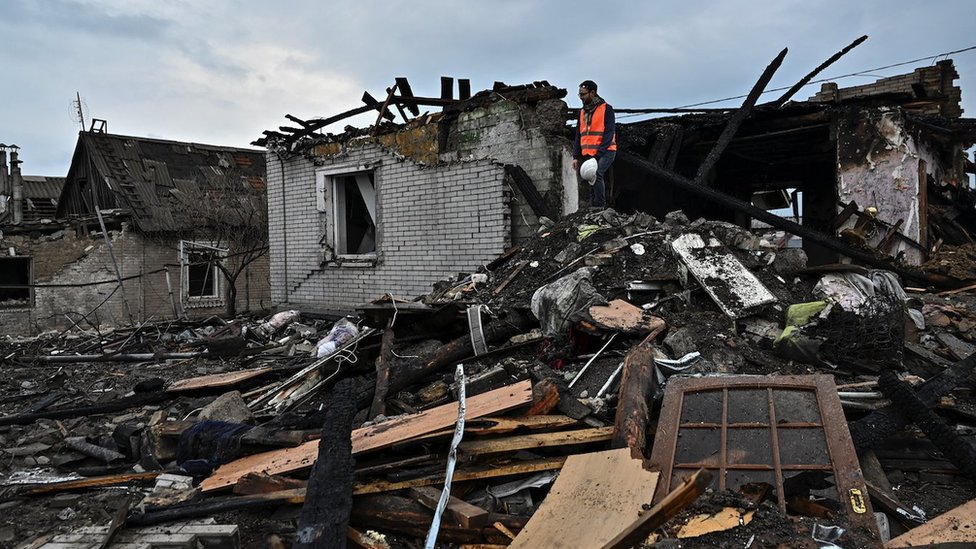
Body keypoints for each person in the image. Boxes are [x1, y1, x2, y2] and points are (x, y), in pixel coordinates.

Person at [573, 80, 616, 208]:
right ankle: (592, 208)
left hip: (607, 151)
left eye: (583, 94)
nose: (581, 97)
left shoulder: (606, 109)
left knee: (596, 174)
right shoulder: (581, 112)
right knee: (589, 178)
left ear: (592, 93)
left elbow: (609, 133)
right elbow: (578, 135)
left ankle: (599, 207)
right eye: (579, 94)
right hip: (589, 152)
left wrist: (598, 154)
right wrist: (575, 156)